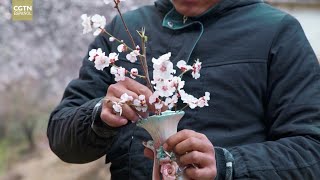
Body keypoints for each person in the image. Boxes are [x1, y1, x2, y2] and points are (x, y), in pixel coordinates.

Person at [47, 0, 320, 179]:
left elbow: (312, 151)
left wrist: (228, 166)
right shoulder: (124, 31)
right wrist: (99, 115)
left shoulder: (276, 32)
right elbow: (62, 138)